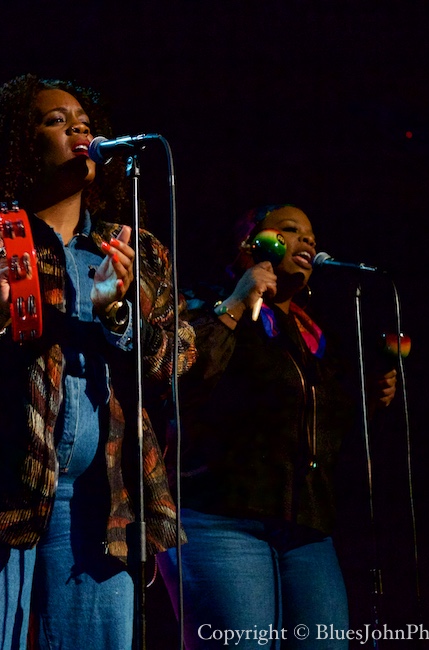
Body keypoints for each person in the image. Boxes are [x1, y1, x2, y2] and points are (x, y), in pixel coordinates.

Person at [0, 74, 195, 650]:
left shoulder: (132, 251)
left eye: (83, 121)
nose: (78, 127)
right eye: (55, 120)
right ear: (17, 147)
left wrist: (118, 317)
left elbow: (180, 359)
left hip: (102, 505)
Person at [156, 204, 397, 649]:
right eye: (290, 230)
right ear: (251, 244)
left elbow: (323, 437)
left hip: (305, 529)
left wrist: (369, 403)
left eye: (311, 235)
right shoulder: (201, 301)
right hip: (220, 520)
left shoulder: (313, 337)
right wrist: (233, 303)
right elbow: (177, 378)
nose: (308, 242)